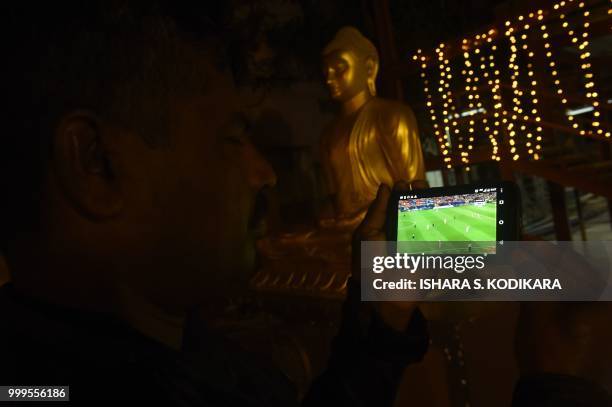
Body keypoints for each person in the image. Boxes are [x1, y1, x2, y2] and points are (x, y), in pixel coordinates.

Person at [0, 3, 428, 406]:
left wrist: (381, 331)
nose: (266, 173)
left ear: (369, 67)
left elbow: (412, 188)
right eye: (233, 138)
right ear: (96, 164)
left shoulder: (184, 348)